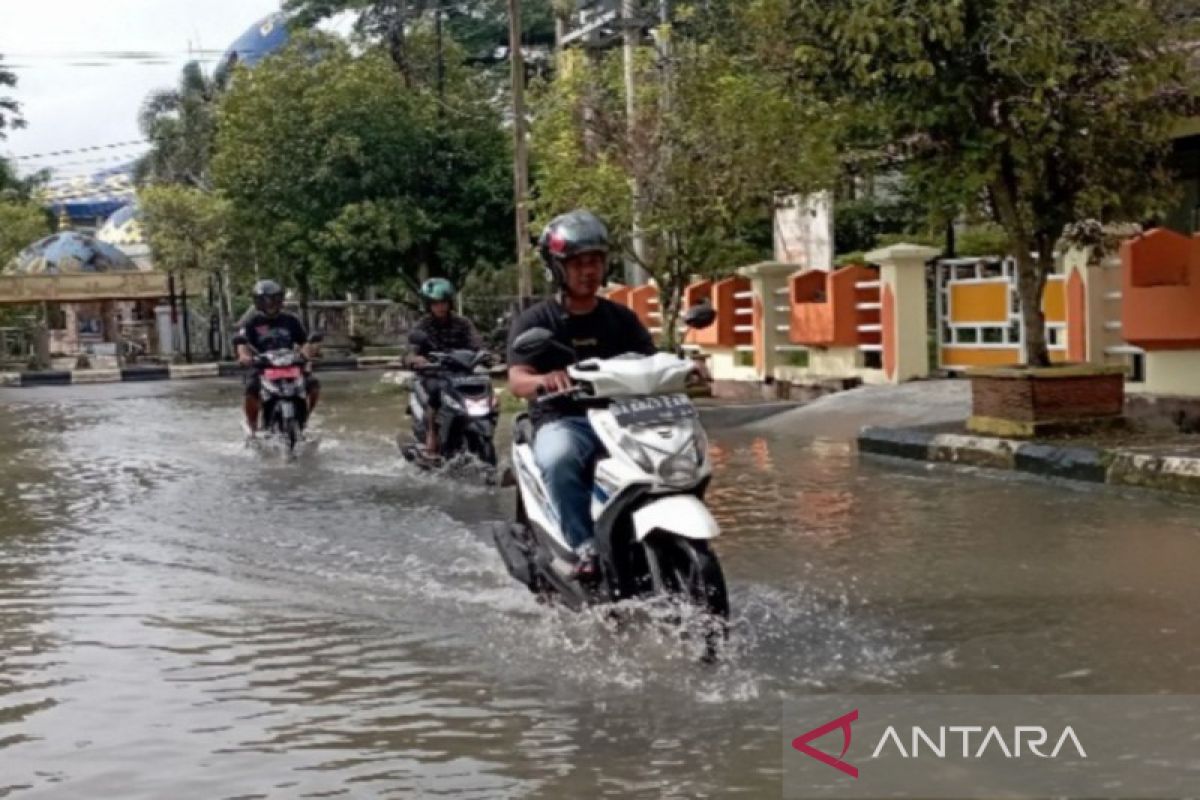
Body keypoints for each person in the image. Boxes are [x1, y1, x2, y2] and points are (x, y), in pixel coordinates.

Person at [506, 210, 657, 577]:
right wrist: (544, 381)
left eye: (595, 262)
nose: (588, 271)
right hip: (564, 419)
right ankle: (584, 546)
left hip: (622, 421)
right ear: (558, 269)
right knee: (559, 458)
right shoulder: (536, 321)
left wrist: (687, 368)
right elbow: (517, 380)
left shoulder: (621, 319)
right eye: (578, 263)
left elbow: (651, 362)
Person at [405, 278, 484, 459]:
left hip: (461, 373)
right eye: (435, 303)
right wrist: (416, 359)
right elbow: (409, 352)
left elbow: (478, 343)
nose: (440, 307)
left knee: (482, 386)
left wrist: (488, 355)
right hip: (433, 373)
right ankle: (432, 435)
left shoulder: (463, 323)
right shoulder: (422, 326)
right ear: (429, 305)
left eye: (444, 302)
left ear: (450, 303)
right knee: (435, 390)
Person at [235, 279, 321, 438]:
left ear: (280, 300)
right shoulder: (251, 322)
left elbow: (305, 342)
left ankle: (305, 417)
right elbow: (242, 343)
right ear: (258, 302)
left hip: (290, 364)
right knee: (251, 389)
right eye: (265, 300)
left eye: (274, 299)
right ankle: (253, 426)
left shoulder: (291, 320)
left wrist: (307, 356)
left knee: (313, 384)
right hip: (263, 366)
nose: (270, 304)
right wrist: (244, 356)